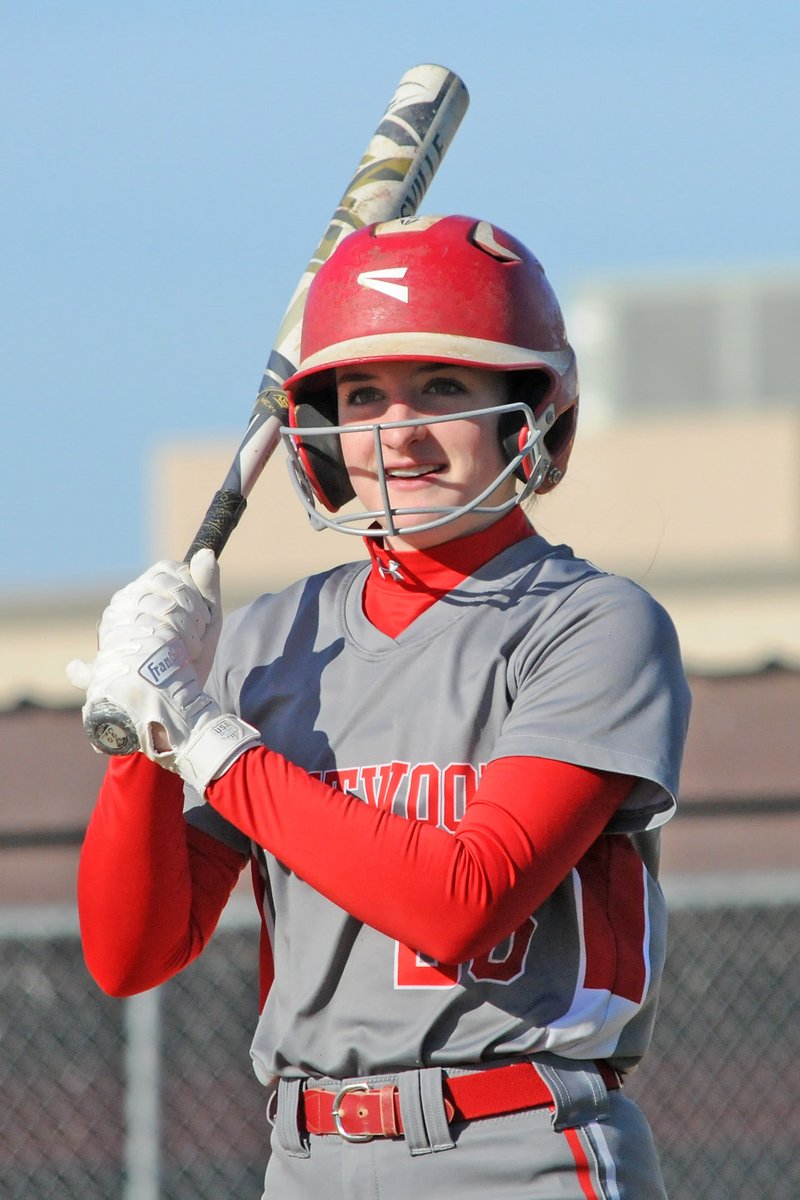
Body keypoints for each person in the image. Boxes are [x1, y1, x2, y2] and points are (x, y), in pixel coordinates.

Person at [72, 214, 692, 1199]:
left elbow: (458, 901)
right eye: (361, 396)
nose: (394, 432)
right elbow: (129, 953)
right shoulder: (277, 639)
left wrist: (202, 736)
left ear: (524, 409)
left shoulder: (592, 624)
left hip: (518, 1147)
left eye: (441, 387)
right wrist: (139, 737)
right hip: (302, 1156)